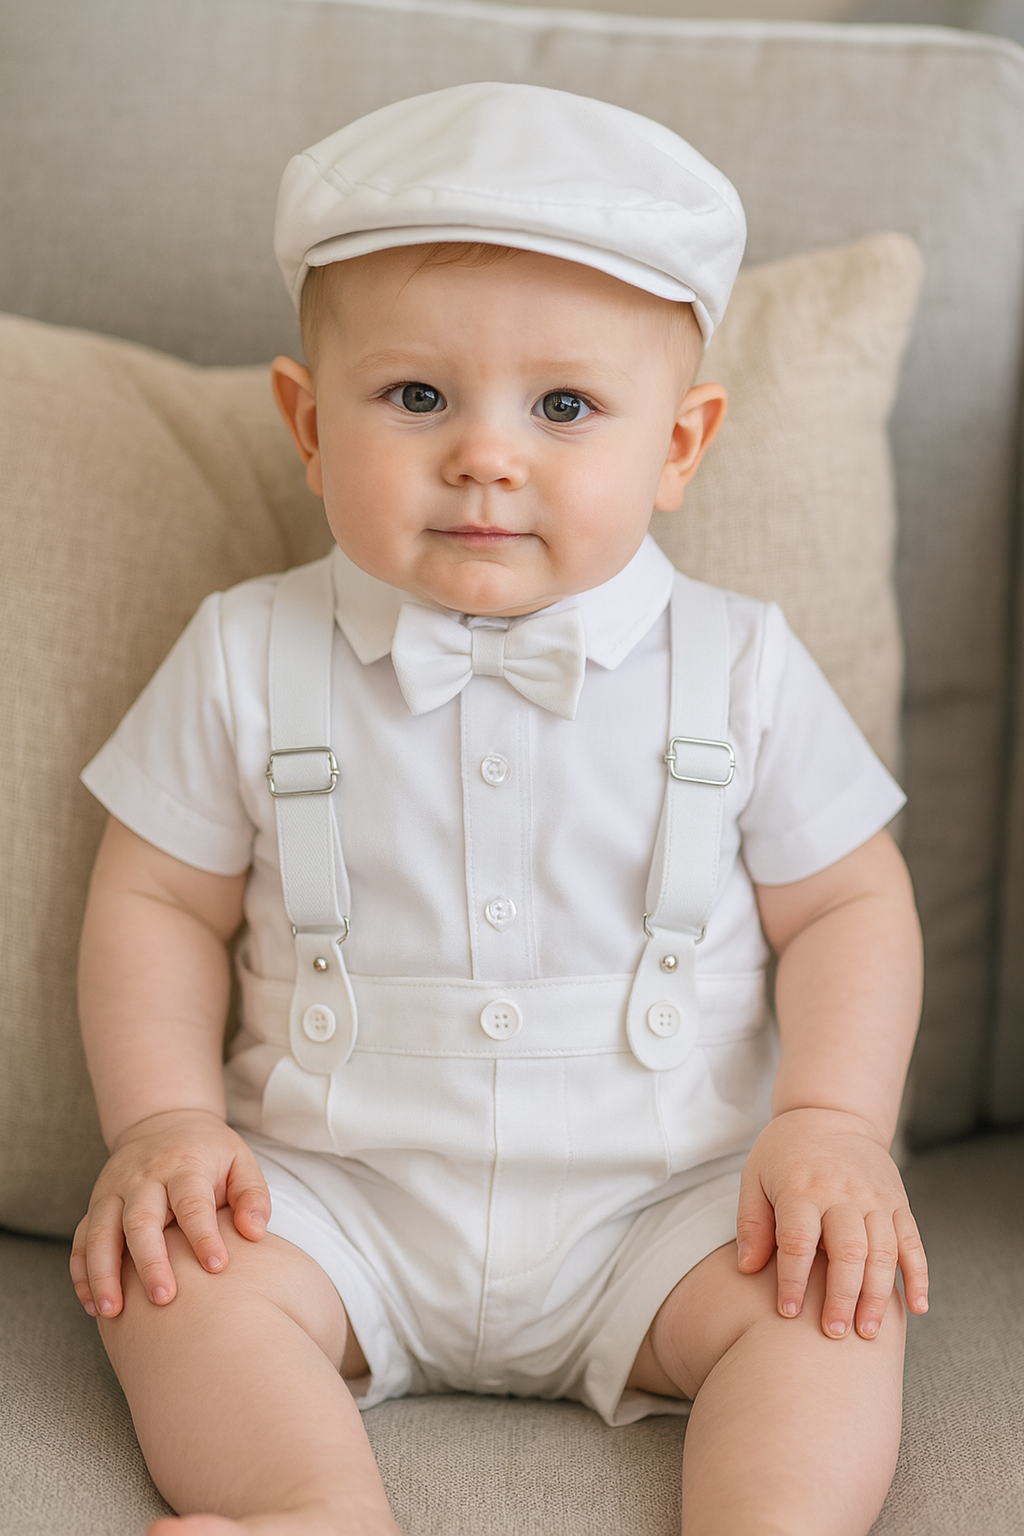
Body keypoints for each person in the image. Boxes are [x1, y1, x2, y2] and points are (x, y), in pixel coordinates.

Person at [71, 82, 927, 1536]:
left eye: (565, 408)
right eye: (416, 398)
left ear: (679, 446)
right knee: (172, 1279)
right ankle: (310, 1507)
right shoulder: (242, 652)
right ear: (304, 421)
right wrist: (159, 1119)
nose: (486, 454)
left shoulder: (742, 664)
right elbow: (155, 898)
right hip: (334, 1201)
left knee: (828, 1309)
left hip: (667, 1211)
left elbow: (850, 899)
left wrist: (835, 1123)